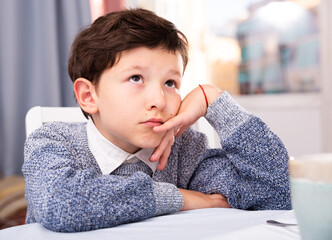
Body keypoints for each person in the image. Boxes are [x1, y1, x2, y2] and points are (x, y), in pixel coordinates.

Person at [22, 8, 291, 232]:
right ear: (88, 96)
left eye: (170, 83)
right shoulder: (52, 141)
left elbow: (274, 195)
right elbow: (60, 203)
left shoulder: (186, 151)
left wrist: (215, 102)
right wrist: (178, 198)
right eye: (136, 78)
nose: (160, 100)